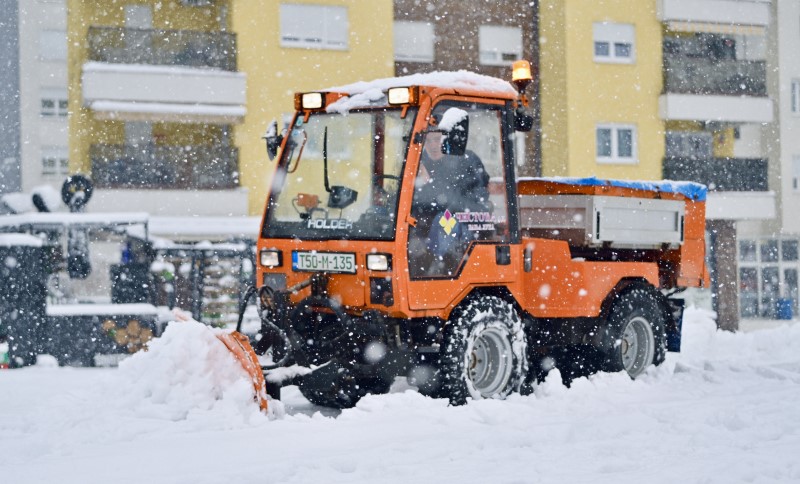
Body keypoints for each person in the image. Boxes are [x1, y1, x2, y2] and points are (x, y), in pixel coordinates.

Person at [409, 130, 492, 276]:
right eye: (428, 141)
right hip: (425, 223)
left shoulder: (466, 160)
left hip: (464, 220)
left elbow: (478, 200)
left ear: (447, 139)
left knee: (444, 221)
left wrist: (435, 189)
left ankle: (441, 269)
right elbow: (411, 199)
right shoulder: (417, 161)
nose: (433, 145)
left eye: (437, 140)